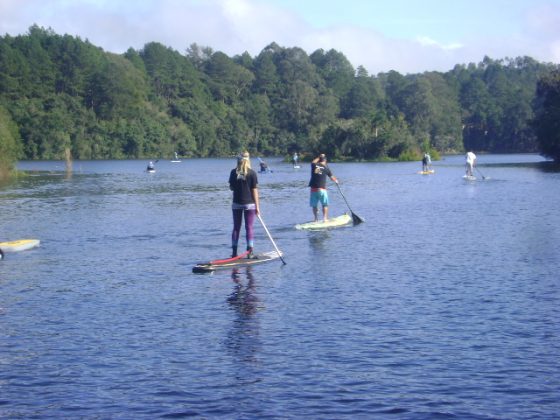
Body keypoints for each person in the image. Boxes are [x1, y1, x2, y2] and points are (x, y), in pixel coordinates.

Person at [229, 151, 260, 258]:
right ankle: (250, 252)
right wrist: (257, 207)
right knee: (249, 227)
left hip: (236, 203)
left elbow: (231, 188)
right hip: (249, 204)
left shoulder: (233, 173)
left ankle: (234, 253)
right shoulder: (252, 173)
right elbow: (254, 191)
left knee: (236, 228)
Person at [308, 153, 338, 222]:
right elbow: (332, 178)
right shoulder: (326, 168)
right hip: (322, 190)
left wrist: (319, 156)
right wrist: (336, 181)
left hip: (313, 190)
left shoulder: (314, 165)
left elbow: (313, 162)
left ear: (319, 160)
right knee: (325, 204)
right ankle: (325, 219)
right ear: (325, 160)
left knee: (314, 205)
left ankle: (315, 219)